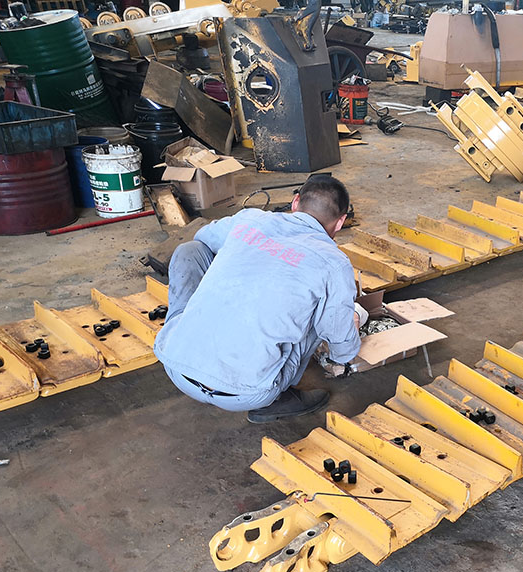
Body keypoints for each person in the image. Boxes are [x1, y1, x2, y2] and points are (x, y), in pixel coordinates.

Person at [154, 174, 366, 423]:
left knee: (190, 250)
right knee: (321, 311)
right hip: (248, 394)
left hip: (176, 368)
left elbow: (203, 238)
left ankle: (185, 338)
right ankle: (279, 399)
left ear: (295, 202)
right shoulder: (334, 263)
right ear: (340, 222)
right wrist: (351, 326)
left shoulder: (250, 219)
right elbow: (342, 349)